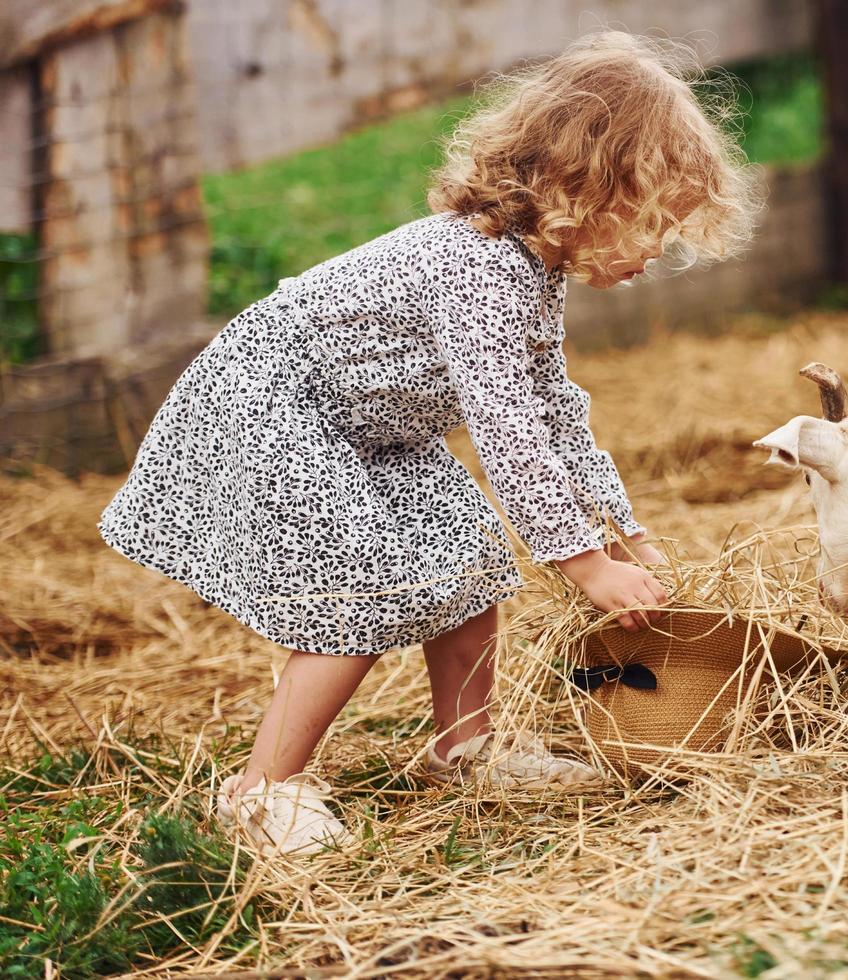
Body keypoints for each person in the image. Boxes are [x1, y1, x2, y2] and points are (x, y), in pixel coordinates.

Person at [97, 31, 759, 856]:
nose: (659, 251)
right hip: (282, 404)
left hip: (371, 428)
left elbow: (555, 407)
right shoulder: (477, 265)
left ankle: (463, 749)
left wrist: (629, 532)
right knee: (364, 589)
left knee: (470, 551)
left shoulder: (532, 272)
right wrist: (584, 564)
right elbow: (507, 428)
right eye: (653, 222)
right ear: (585, 187)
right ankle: (262, 788)